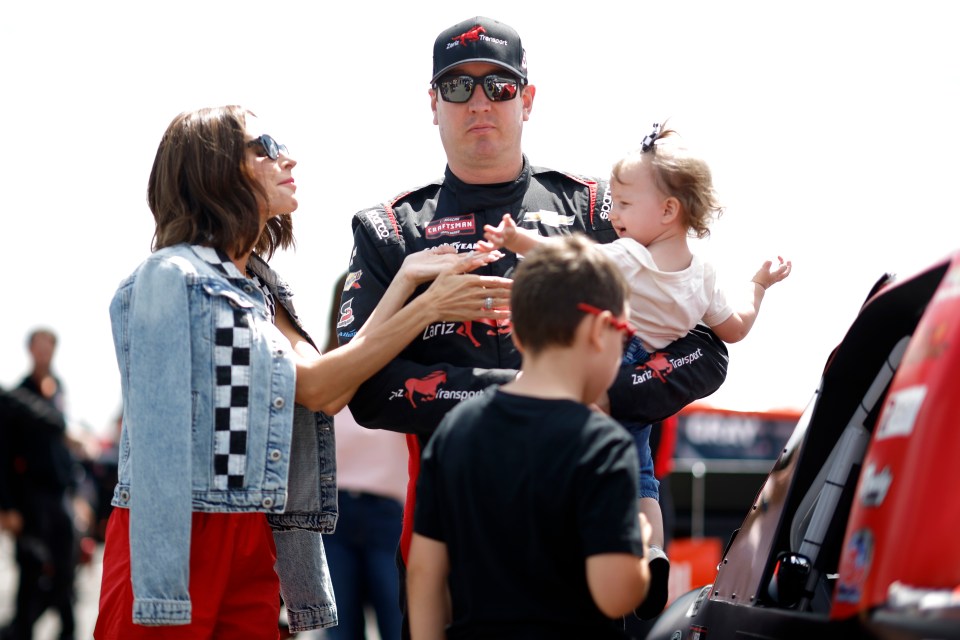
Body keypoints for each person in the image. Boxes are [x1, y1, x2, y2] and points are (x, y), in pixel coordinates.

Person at [339, 16, 729, 629]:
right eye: (459, 88)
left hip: (590, 527)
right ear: (433, 103)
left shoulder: (604, 207)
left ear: (527, 99)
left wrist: (611, 394)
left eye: (498, 86)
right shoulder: (392, 229)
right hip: (456, 536)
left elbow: (706, 343)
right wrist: (524, 398)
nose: (479, 104)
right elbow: (366, 388)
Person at [93, 105, 511, 640]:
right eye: (263, 145)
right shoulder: (172, 276)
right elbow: (316, 386)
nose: (286, 157)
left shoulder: (259, 285)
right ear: (213, 168)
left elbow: (327, 385)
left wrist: (405, 280)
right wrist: (426, 310)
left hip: (250, 530)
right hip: (176, 535)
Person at [480, 122, 792, 613]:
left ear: (668, 210)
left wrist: (519, 241)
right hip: (650, 382)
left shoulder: (627, 257)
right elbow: (734, 330)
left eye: (624, 204)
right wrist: (759, 285)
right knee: (642, 476)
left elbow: (570, 258)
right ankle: (651, 553)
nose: (612, 213)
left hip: (612, 363)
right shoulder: (706, 276)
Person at [407, 235, 653, 639]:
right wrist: (639, 545)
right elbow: (615, 594)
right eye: (625, 333)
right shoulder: (602, 444)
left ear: (517, 334)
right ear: (597, 330)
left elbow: (424, 573)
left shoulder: (456, 428)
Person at [322, 274, 408, 640]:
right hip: (330, 520)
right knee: (341, 632)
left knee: (400, 624)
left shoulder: (409, 375)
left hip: (391, 519)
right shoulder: (320, 374)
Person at [0, 329, 79, 640]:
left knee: (66, 573)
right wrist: (7, 507)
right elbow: (3, 457)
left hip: (60, 496)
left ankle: (65, 632)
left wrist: (77, 496)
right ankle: (19, 631)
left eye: (50, 346)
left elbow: (63, 453)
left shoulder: (59, 388)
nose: (44, 351)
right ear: (30, 350)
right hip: (30, 500)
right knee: (31, 572)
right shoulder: (16, 396)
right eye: (39, 345)